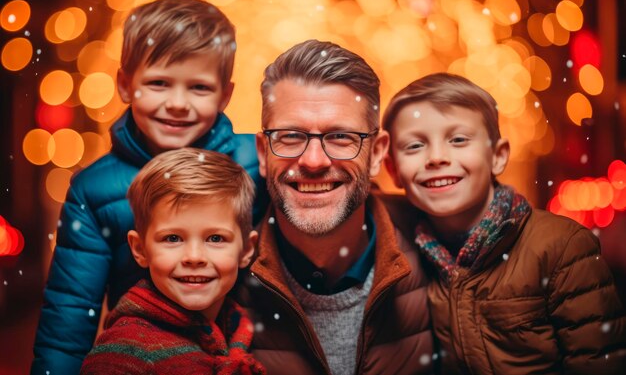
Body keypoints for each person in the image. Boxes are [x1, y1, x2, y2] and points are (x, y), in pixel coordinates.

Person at [32, 0, 267, 375]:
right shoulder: (92, 191)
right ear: (125, 85)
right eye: (159, 83)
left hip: (240, 347)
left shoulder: (256, 163)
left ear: (225, 95)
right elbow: (70, 313)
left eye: (199, 88)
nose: (177, 103)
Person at [382, 72, 626, 375]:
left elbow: (599, 362)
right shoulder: (409, 247)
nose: (436, 157)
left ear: (497, 157)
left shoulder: (561, 247)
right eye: (415, 146)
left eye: (458, 140)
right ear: (393, 169)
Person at [233, 39, 434, 375]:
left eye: (341, 137)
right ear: (263, 152)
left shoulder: (435, 249)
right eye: (291, 135)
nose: (313, 161)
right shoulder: (218, 275)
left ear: (378, 153)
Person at [79, 148, 265, 375]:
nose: (194, 257)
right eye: (173, 238)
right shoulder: (121, 354)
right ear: (140, 249)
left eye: (215, 238)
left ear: (246, 250)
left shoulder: (238, 330)